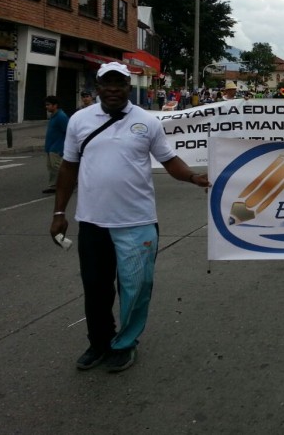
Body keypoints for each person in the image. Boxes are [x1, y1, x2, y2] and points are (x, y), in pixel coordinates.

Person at [49, 62, 210, 373]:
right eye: (106, 84)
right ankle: (99, 342)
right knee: (96, 289)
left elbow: (169, 159)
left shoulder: (146, 122)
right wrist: (59, 212)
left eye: (119, 84)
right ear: (97, 87)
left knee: (135, 288)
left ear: (128, 86)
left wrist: (193, 177)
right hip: (93, 222)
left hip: (137, 223)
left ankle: (125, 344)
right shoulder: (79, 121)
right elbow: (68, 167)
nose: (113, 89)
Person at [43, 96, 69, 194]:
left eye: (48, 105)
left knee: (57, 167)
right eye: (46, 105)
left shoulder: (61, 116)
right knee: (51, 167)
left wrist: (64, 147)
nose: (46, 107)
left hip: (57, 146)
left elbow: (68, 132)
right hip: (50, 146)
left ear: (55, 105)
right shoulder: (53, 116)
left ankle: (68, 183)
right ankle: (53, 185)